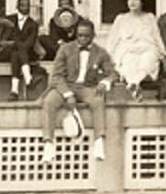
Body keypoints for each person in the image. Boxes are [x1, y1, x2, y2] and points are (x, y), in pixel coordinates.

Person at [40, 20, 113, 163]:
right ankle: (48, 144)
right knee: (48, 101)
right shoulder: (65, 49)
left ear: (93, 35)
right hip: (65, 85)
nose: (83, 39)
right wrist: (67, 94)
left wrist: (105, 82)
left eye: (86, 36)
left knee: (98, 101)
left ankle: (99, 143)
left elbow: (112, 73)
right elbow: (57, 75)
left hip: (87, 88)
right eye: (80, 35)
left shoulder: (101, 52)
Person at [107, 0, 166, 101]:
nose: (132, 2)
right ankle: (134, 85)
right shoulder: (121, 18)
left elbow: (156, 37)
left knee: (147, 61)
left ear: (142, 1)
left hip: (147, 49)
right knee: (128, 62)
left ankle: (133, 84)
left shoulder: (150, 17)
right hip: (128, 50)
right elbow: (113, 39)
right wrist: (108, 56)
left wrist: (163, 53)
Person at [0, 0, 40, 101]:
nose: (25, 8)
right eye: (22, 5)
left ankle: (14, 91)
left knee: (16, 53)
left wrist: (13, 43)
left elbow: (29, 44)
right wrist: (9, 44)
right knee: (17, 51)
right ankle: (29, 79)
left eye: (27, 6)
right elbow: (2, 41)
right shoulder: (9, 20)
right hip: (6, 52)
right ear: (17, 6)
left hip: (24, 52)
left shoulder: (33, 24)